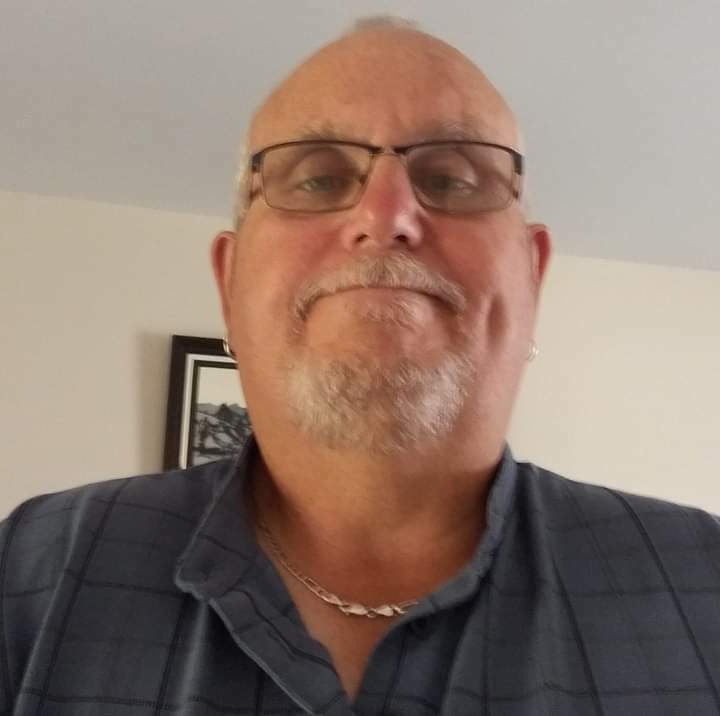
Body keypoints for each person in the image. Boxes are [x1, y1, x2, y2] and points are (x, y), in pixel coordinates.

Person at [1, 17, 719, 716]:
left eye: (453, 178)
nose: (386, 215)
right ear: (229, 284)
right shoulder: (30, 571)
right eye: (317, 179)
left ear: (533, 278)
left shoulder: (703, 581)